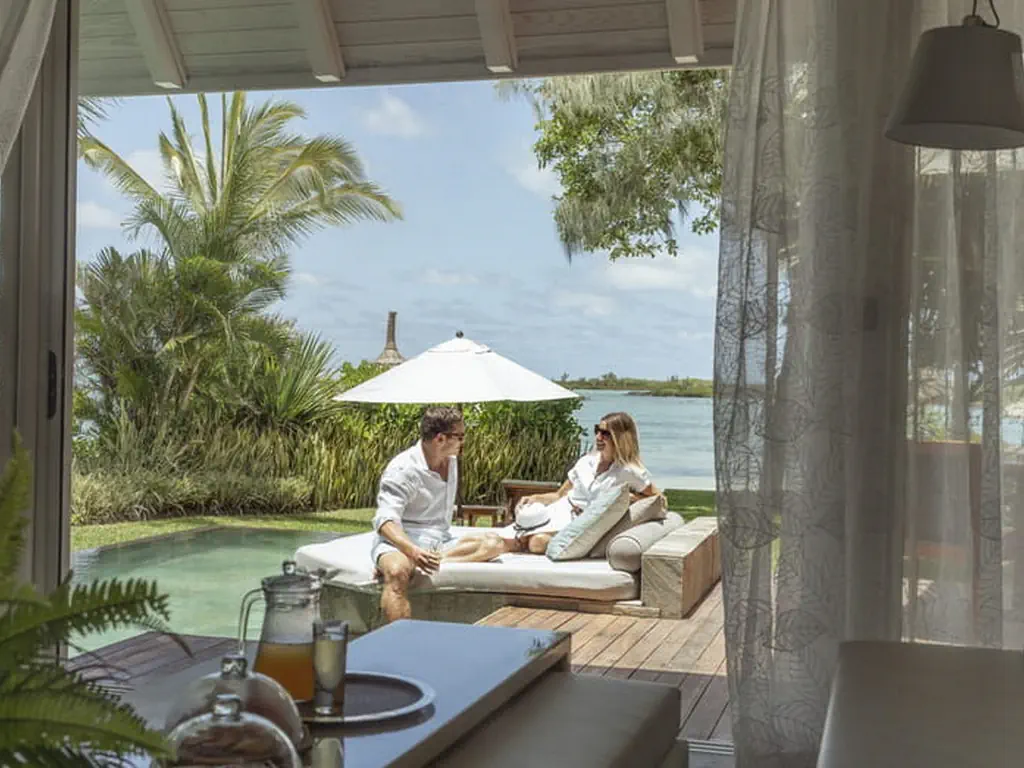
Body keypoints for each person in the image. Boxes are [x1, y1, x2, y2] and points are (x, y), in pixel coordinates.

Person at [372, 406, 503, 622]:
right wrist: (413, 552)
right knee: (396, 572)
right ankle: (398, 639)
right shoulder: (403, 469)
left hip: (439, 542)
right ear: (440, 439)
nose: (463, 442)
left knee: (494, 543)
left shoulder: (450, 461)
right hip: (403, 542)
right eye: (460, 436)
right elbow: (385, 521)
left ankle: (426, 562)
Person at [500, 412, 662, 554]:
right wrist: (536, 498)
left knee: (537, 542)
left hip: (583, 523)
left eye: (605, 433)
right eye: (597, 430)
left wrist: (631, 498)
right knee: (515, 536)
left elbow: (659, 499)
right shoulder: (585, 462)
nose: (598, 437)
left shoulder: (628, 472)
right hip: (561, 510)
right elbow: (559, 495)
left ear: (621, 437)